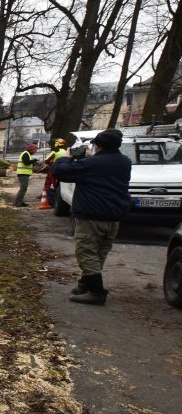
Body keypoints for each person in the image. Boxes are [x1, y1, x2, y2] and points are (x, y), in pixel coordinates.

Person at [52, 129, 132, 305]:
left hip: (92, 216)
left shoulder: (94, 163)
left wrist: (66, 156)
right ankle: (85, 285)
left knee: (86, 252)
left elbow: (60, 172)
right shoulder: (125, 162)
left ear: (99, 145)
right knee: (99, 253)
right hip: (113, 217)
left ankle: (96, 292)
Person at [42, 138, 68, 208]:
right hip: (64, 170)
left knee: (49, 182)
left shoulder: (54, 152)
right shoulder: (67, 152)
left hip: (54, 169)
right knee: (59, 184)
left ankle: (46, 197)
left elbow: (46, 160)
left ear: (57, 144)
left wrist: (50, 164)